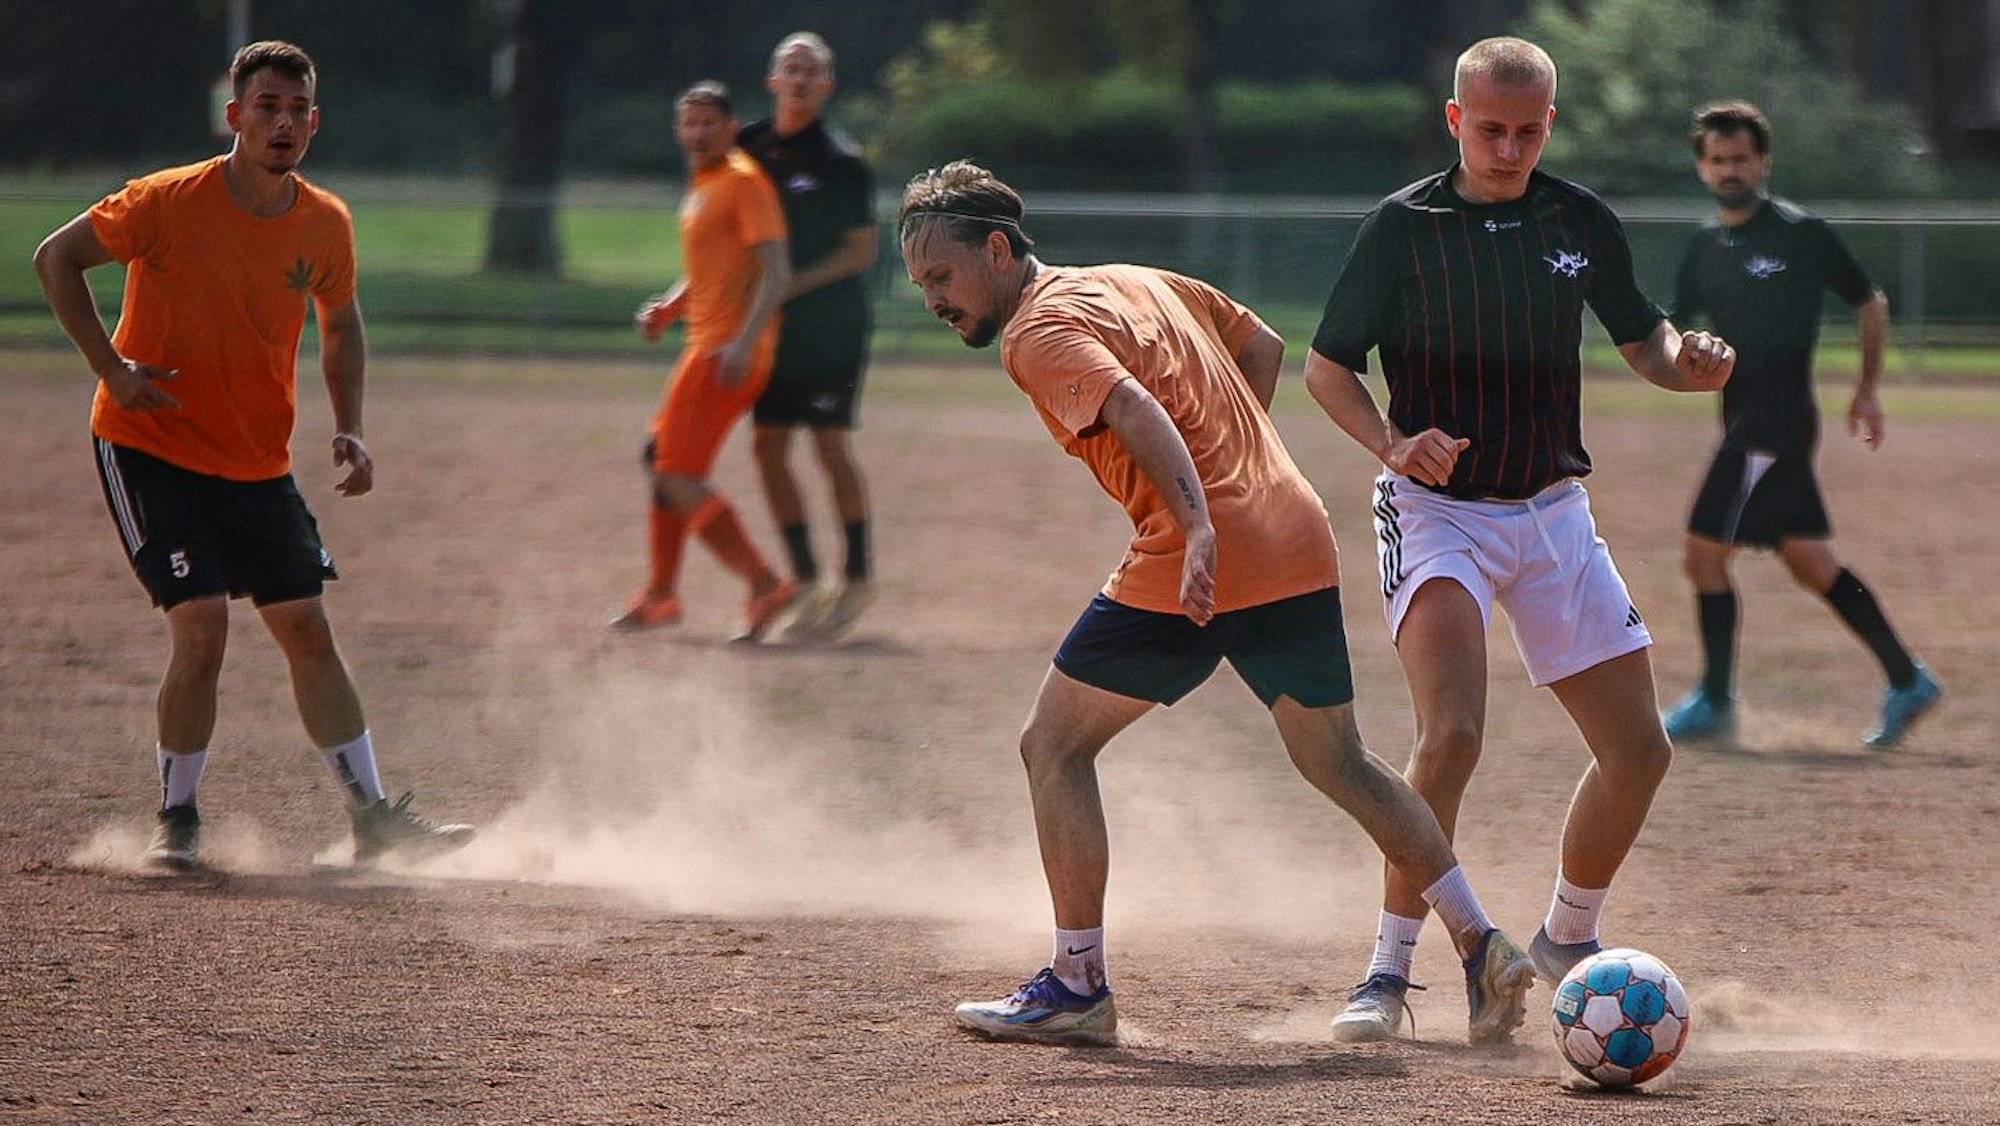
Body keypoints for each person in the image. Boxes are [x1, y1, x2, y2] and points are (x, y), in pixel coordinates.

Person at [899, 160, 1536, 1048]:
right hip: (1294, 527)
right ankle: (1483, 946)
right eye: (921, 282)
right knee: (1341, 761)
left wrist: (1200, 523)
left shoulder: (1036, 332)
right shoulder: (1135, 281)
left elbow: (1128, 407)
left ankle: (1078, 985)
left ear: (999, 250)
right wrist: (1242, 479)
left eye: (942, 275)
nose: (933, 297)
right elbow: (1263, 345)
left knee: (1053, 745)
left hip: (1198, 555)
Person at [1300, 37, 1736, 1041]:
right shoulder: (1400, 228)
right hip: (1436, 511)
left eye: (1526, 130)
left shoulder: (1575, 219)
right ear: (1454, 121)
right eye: (1488, 128)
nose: (1506, 147)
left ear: (1548, 123)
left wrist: (1692, 360)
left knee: (1637, 751)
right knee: (1448, 735)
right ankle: (1385, 975)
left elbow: (1645, 341)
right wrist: (1392, 441)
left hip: (1550, 510)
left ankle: (1563, 940)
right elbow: (1327, 366)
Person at [32, 40, 474, 871]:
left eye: (297, 109)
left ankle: (371, 819)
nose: (282, 122)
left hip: (256, 458)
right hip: (149, 444)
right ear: (233, 116)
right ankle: (178, 821)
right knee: (202, 627)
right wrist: (111, 370)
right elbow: (55, 258)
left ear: (315, 122)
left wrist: (352, 424)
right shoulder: (165, 201)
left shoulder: (324, 222)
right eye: (266, 107)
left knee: (305, 624)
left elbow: (340, 324)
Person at [1660, 100, 1941, 747]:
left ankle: (1715, 699)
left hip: (1775, 422)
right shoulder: (1704, 247)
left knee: (1702, 554)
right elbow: (1668, 327)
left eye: (1742, 159)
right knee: (1810, 561)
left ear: (1764, 161)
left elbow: (1869, 302)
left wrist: (1867, 390)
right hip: (1743, 418)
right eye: (1718, 160)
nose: (1731, 170)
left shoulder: (1799, 233)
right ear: (1702, 168)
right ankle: (1907, 678)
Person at [615, 81, 797, 641]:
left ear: (731, 126)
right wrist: (670, 308)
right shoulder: (706, 185)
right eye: (689, 123)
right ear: (678, 129)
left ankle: (764, 583)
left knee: (675, 474)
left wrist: (744, 342)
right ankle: (662, 593)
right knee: (660, 461)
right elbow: (716, 269)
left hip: (725, 352)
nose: (697, 133)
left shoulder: (743, 181)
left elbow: (776, 270)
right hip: (704, 343)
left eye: (708, 123)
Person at [737, 32, 879, 641]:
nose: (799, 78)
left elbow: (861, 252)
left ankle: (857, 577)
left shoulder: (841, 162)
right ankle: (802, 579)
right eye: (789, 67)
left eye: (811, 70)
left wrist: (789, 284)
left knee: (828, 446)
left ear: (827, 86)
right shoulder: (744, 148)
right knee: (767, 446)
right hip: (769, 325)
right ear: (772, 80)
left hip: (831, 325)